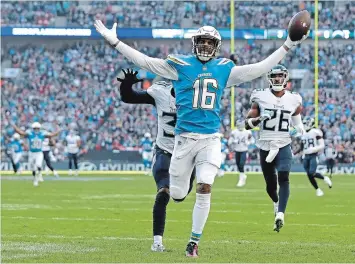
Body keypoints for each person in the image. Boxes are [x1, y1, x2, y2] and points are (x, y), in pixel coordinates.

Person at [95, 20, 307, 257]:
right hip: (183, 141)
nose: (205, 45)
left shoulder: (224, 67)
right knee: (176, 194)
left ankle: (193, 243)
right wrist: (115, 42)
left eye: (210, 42)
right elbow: (145, 61)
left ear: (216, 46)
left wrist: (288, 44)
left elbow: (259, 67)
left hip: (210, 139)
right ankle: (183, 188)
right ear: (194, 43)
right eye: (202, 41)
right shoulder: (179, 65)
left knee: (205, 186)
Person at [118, 69, 196, 252]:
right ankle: (157, 242)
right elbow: (129, 97)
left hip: (187, 153)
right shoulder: (160, 92)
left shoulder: (199, 98)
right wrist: (126, 84)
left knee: (181, 195)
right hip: (165, 150)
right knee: (163, 192)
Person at [245, 64, 305, 232]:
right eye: (275, 76)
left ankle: (281, 214)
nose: (278, 79)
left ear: (285, 78)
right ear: (270, 79)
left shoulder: (294, 99)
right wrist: (258, 120)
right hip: (265, 144)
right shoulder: (260, 97)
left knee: (284, 178)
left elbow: (299, 126)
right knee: (271, 186)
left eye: (280, 76)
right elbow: (246, 124)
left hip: (283, 143)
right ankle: (276, 203)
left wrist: (297, 130)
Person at [11, 122, 60, 186]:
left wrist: (58, 130)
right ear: (33, 128)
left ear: (39, 128)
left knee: (38, 165)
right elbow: (21, 133)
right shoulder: (30, 133)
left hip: (39, 153)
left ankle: (38, 176)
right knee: (33, 168)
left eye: (37, 128)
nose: (36, 130)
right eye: (35, 128)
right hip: (31, 153)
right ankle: (35, 178)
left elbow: (52, 135)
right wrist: (15, 127)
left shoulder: (42, 133)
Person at [298, 117, 333, 196]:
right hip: (305, 156)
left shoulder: (315, 132)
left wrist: (313, 149)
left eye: (306, 123)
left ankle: (325, 178)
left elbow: (322, 145)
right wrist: (296, 152)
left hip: (313, 155)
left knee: (312, 172)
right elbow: (301, 146)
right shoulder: (303, 133)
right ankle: (318, 190)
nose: (305, 125)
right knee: (309, 174)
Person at [228, 120, 253, 187]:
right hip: (237, 150)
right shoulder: (234, 132)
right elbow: (229, 141)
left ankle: (241, 179)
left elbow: (252, 140)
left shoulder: (248, 132)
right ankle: (243, 176)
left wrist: (248, 142)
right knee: (238, 164)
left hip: (244, 150)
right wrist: (233, 141)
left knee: (241, 164)